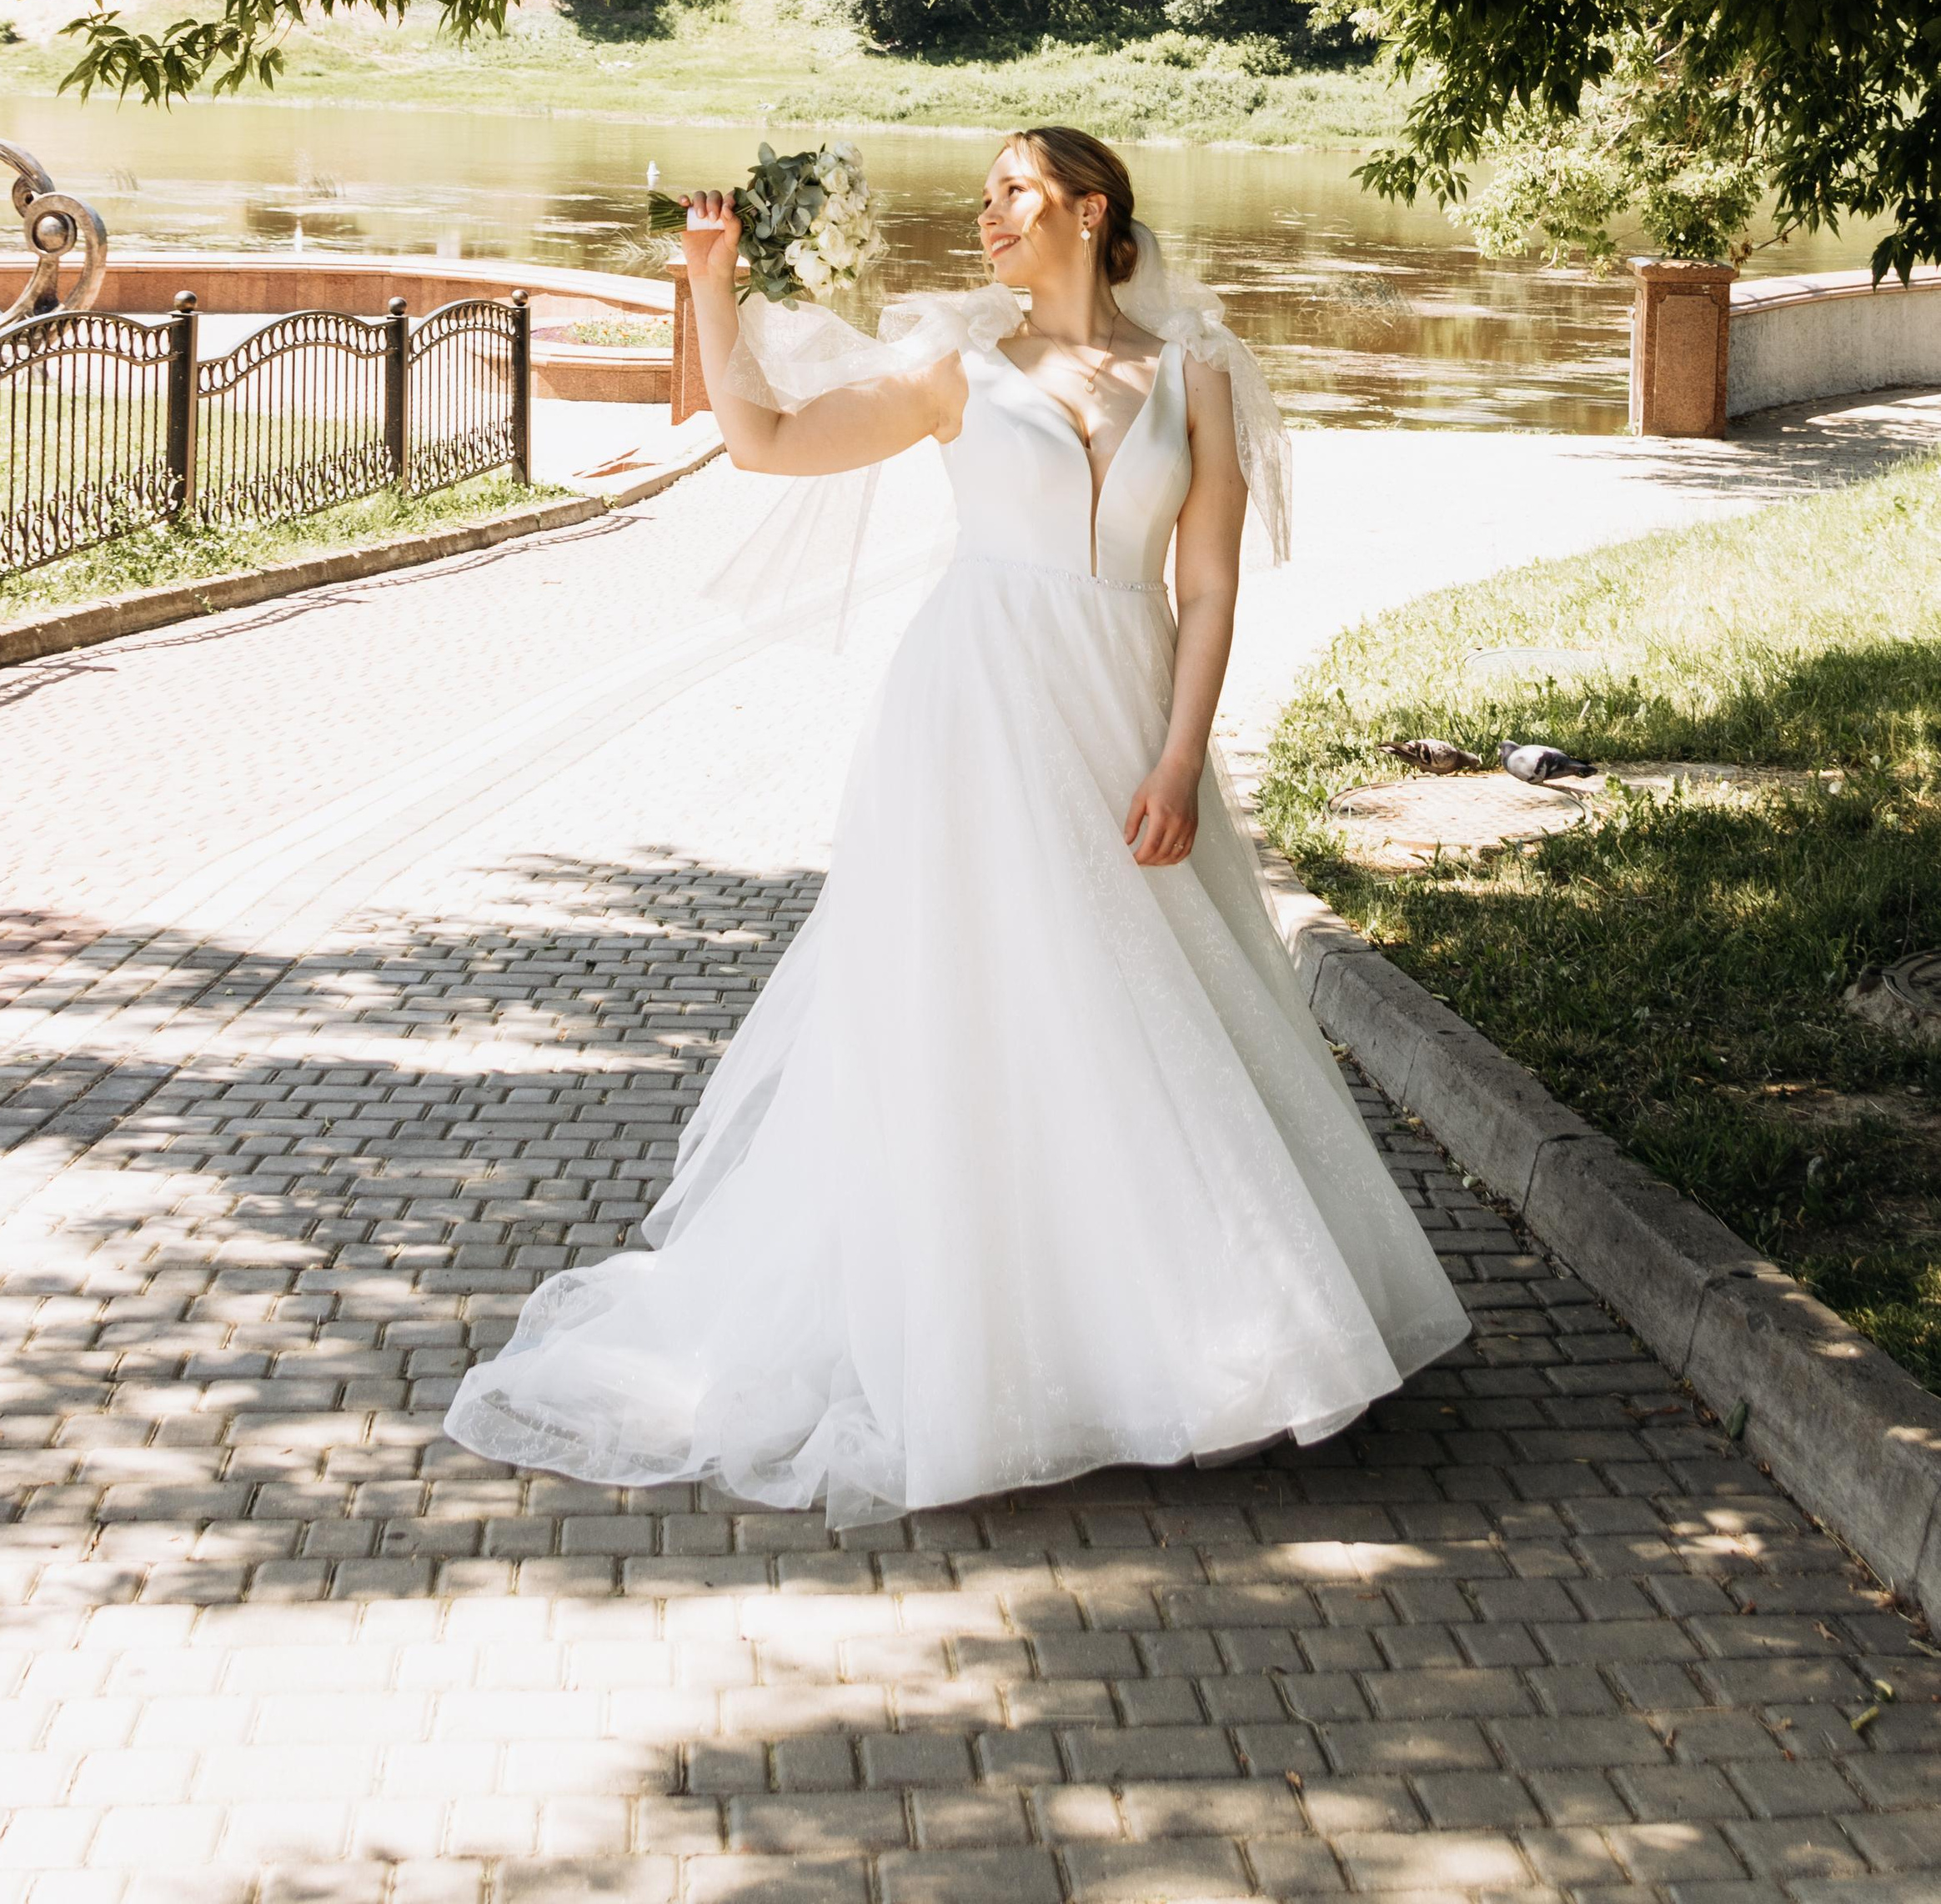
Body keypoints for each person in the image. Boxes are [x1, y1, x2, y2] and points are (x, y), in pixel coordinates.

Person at [447, 127, 1467, 1523]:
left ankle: (1206, 1338)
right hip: (975, 717)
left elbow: (1212, 588)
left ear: (1091, 209)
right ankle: (993, 1352)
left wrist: (1181, 759)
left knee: (1147, 1001)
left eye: (1016, 192)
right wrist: (709, 280)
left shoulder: (1200, 373)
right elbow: (766, 439)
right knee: (992, 1010)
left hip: (1123, 709)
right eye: (984, 194)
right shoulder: (959, 366)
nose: (987, 215)